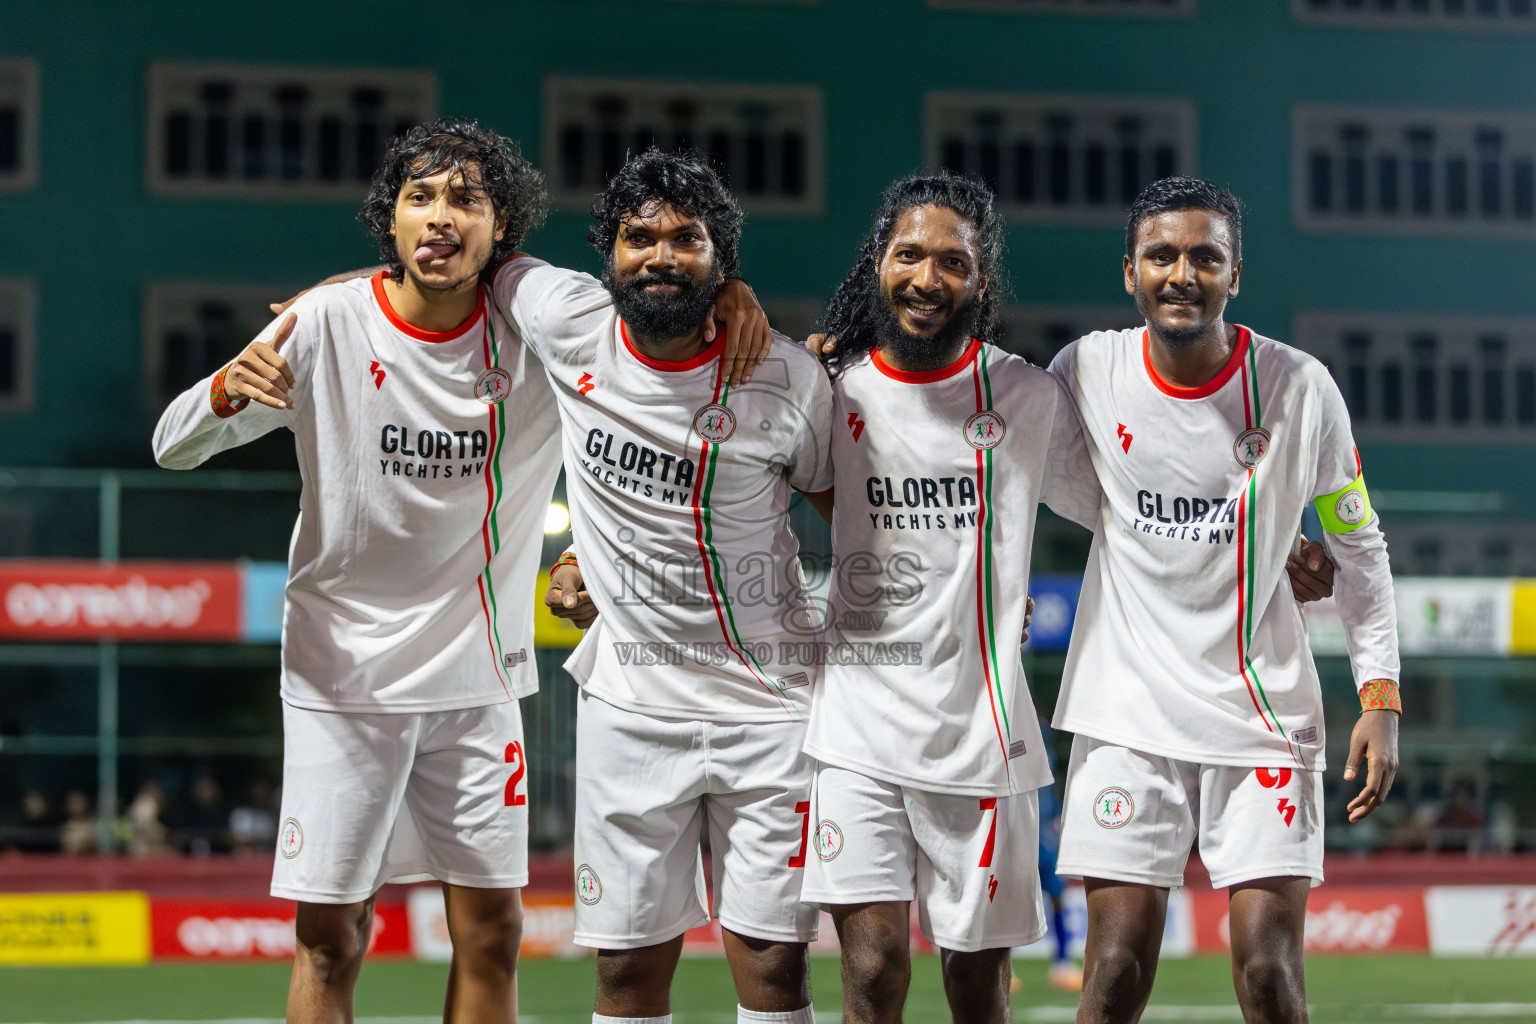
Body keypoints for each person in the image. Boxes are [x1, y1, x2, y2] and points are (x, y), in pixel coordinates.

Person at [154, 118, 568, 1024]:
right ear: (392, 219)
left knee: (494, 933)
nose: (442, 215)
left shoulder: (538, 346)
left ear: (503, 230)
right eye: (421, 195)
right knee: (331, 937)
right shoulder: (327, 322)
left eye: (468, 198)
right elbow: (171, 445)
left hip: (478, 680)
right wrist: (226, 391)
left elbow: (635, 397)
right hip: (340, 680)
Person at [1048, 177, 1400, 1024]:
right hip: (1127, 712)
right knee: (1115, 970)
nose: (1182, 273)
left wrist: (1380, 696)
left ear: (1234, 274)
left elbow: (1357, 546)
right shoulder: (1085, 371)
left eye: (1206, 256)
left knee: (1270, 979)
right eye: (1161, 255)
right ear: (1129, 271)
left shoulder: (1300, 387)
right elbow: (999, 466)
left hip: (1262, 716)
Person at [531, 149, 832, 1024]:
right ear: (607, 253)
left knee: (775, 972)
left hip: (773, 711)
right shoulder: (563, 320)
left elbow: (853, 507)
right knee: (625, 979)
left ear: (721, 260)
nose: (660, 255)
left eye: (687, 239)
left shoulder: (788, 377)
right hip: (630, 711)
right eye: (639, 238)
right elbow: (444, 259)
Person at [796, 171, 1100, 1024]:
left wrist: (1276, 547)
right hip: (856, 725)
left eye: (953, 262)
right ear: (878, 263)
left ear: (982, 279)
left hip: (985, 737)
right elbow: (733, 481)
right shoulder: (830, 388)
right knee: (872, 970)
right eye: (909, 255)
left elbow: (1129, 505)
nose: (927, 278)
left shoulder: (1029, 397)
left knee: (977, 984)